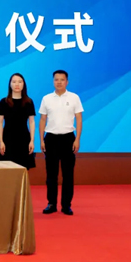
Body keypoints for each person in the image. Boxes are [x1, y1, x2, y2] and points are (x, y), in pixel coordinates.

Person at [39, 70, 83, 216]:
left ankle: (66, 205)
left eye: (62, 80)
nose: (59, 82)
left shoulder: (74, 97)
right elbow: (43, 120)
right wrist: (41, 140)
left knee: (68, 174)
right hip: (51, 138)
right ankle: (51, 203)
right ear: (53, 81)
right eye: (56, 79)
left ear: (67, 82)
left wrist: (77, 139)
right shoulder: (46, 98)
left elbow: (79, 119)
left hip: (68, 138)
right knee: (51, 174)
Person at [0, 73, 36, 169]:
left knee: (23, 168)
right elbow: (0, 122)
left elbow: (31, 122)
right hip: (7, 139)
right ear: (10, 84)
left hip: (24, 139)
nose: (17, 84)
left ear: (23, 84)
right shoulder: (4, 102)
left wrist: (32, 141)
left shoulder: (29, 102)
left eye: (20, 82)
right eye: (14, 82)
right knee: (7, 169)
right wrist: (1, 141)